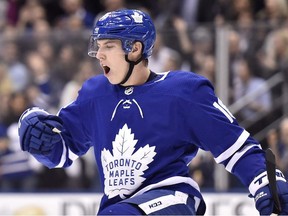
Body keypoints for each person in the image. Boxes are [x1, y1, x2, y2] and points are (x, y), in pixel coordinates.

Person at [17, 9, 288, 215]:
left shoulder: (183, 92)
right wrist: (35, 132)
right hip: (118, 206)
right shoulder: (94, 95)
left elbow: (235, 146)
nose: (99, 55)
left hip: (174, 199)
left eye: (108, 46)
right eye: (97, 46)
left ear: (135, 49)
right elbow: (60, 152)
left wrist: (265, 180)